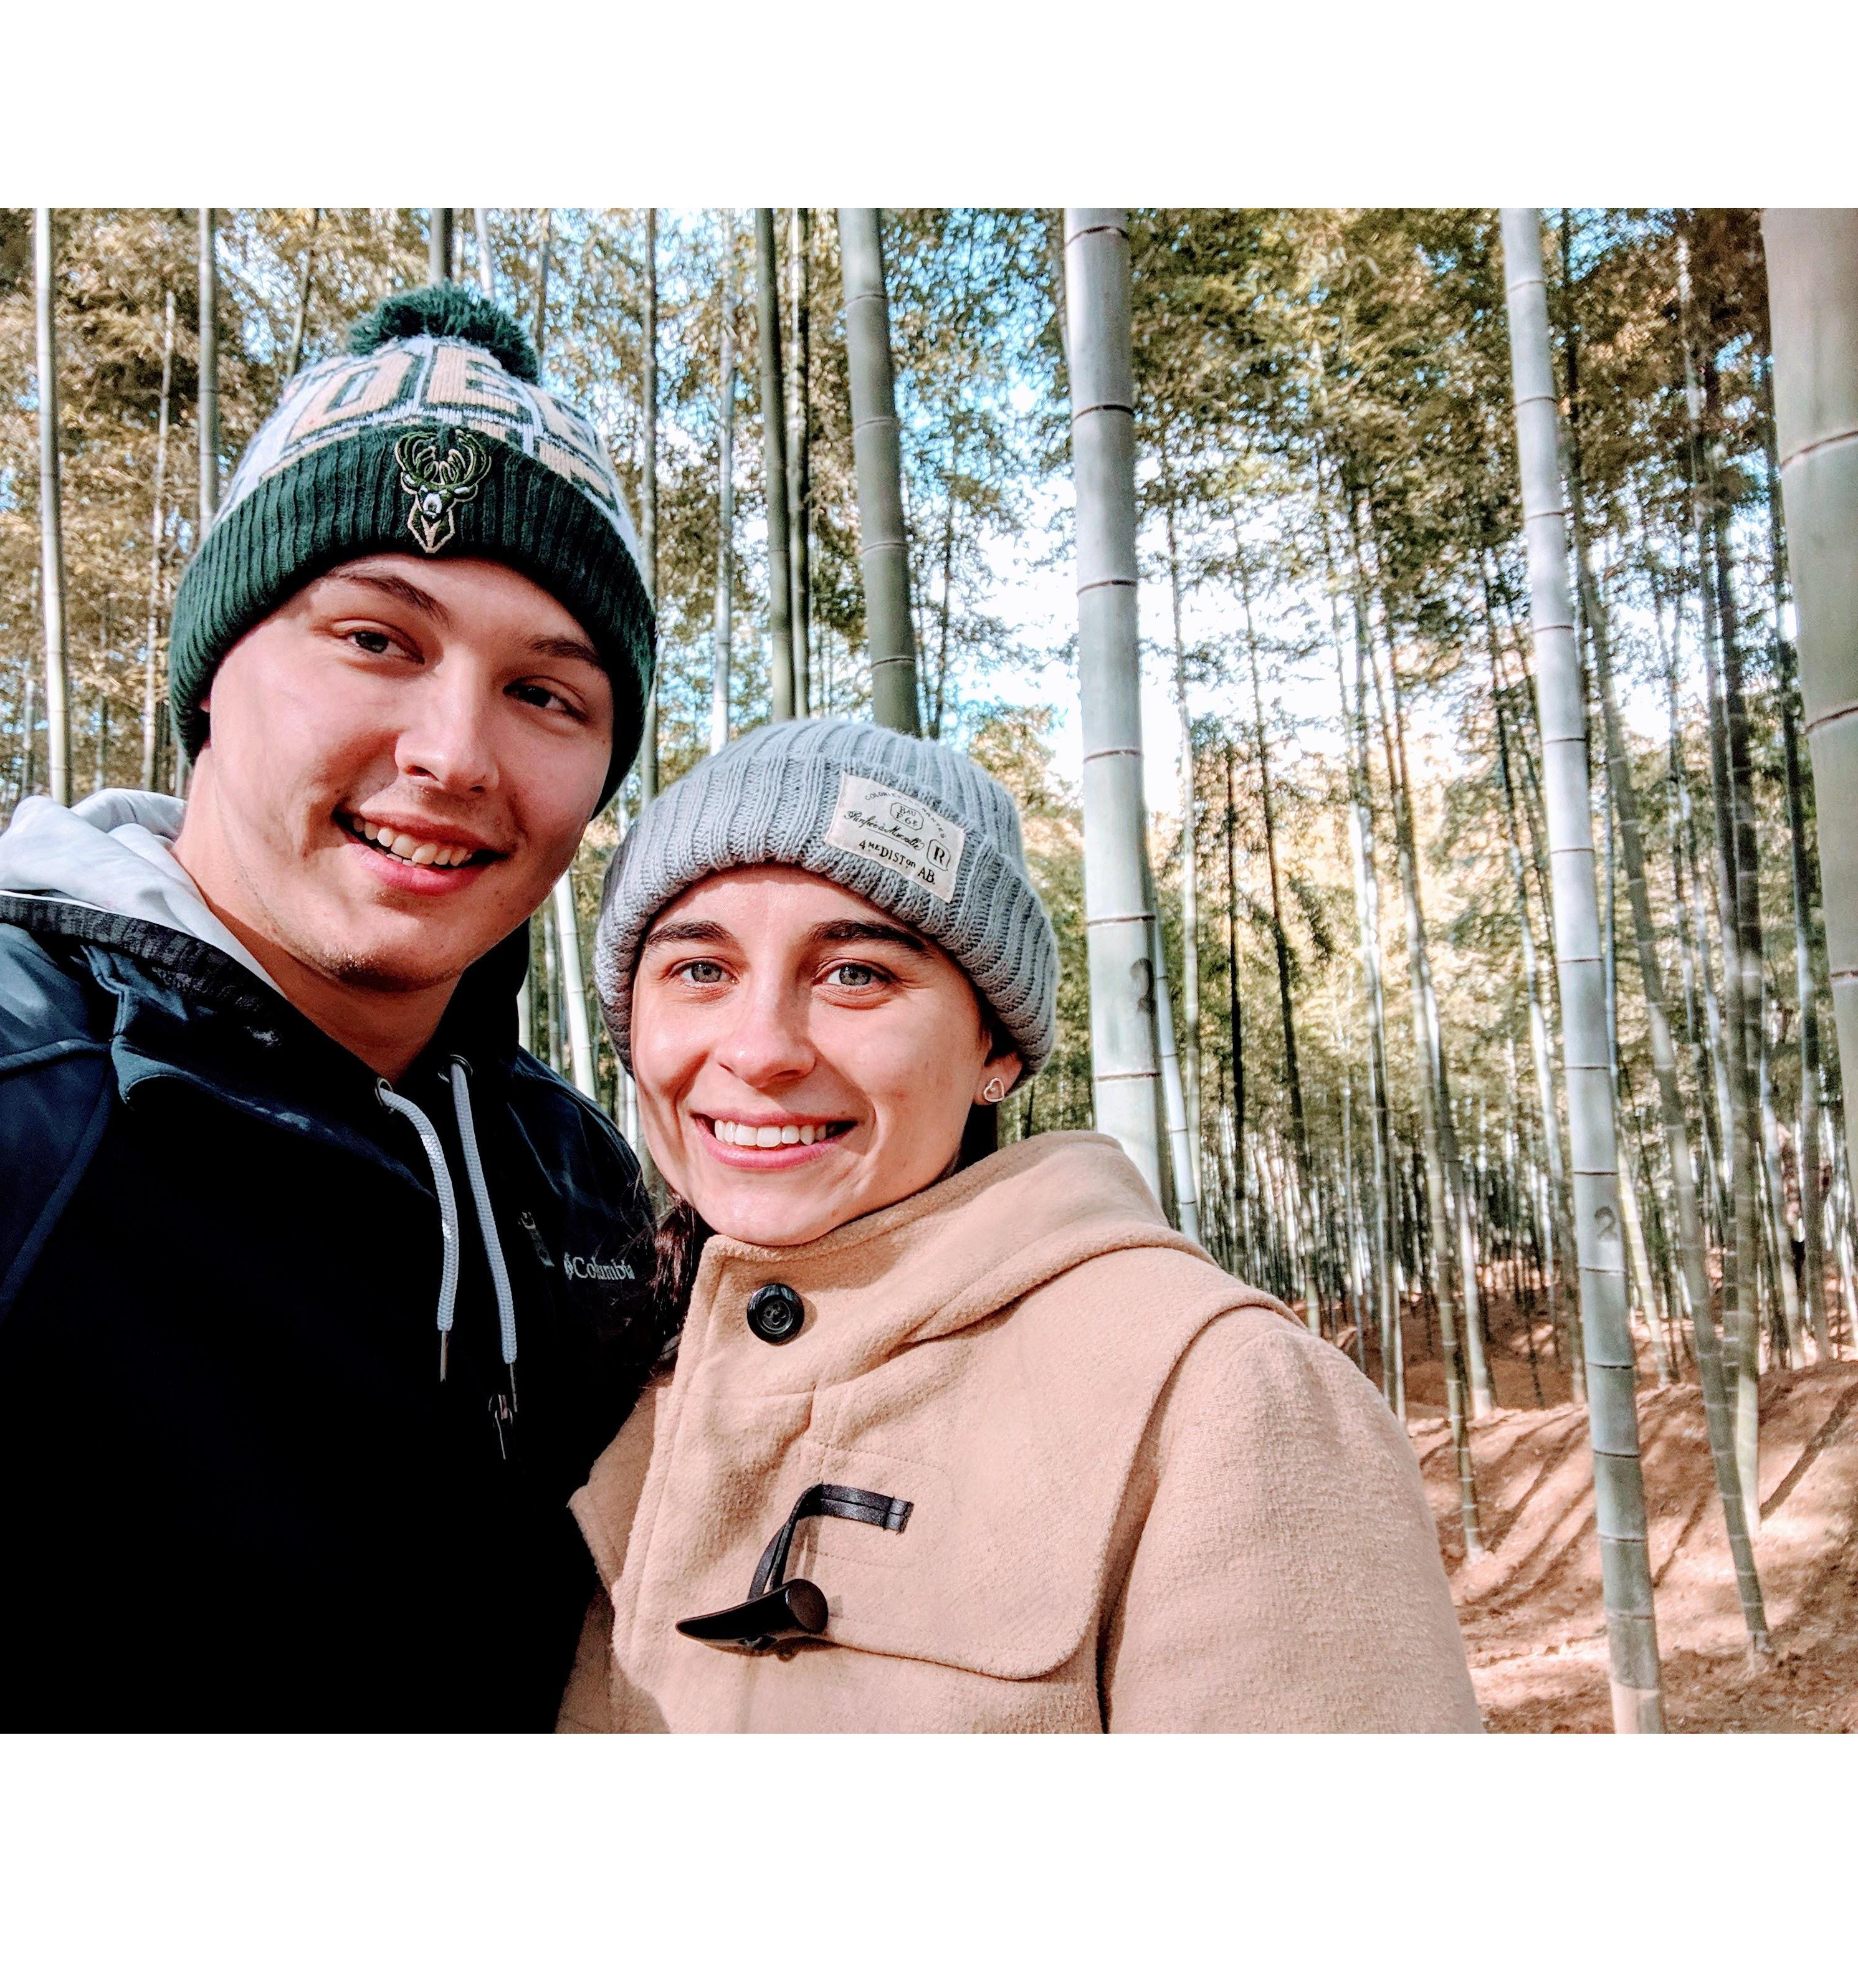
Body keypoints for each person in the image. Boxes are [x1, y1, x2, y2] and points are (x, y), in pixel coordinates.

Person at [0, 285, 661, 1729]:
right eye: (376, 642)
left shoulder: (582, 1187)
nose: (456, 755)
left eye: (548, 694)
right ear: (211, 681)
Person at [558, 719, 1483, 1732]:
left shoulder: (1218, 1396)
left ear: (996, 1047)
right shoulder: (597, 1350)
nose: (762, 1049)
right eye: (700, 970)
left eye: (855, 974)